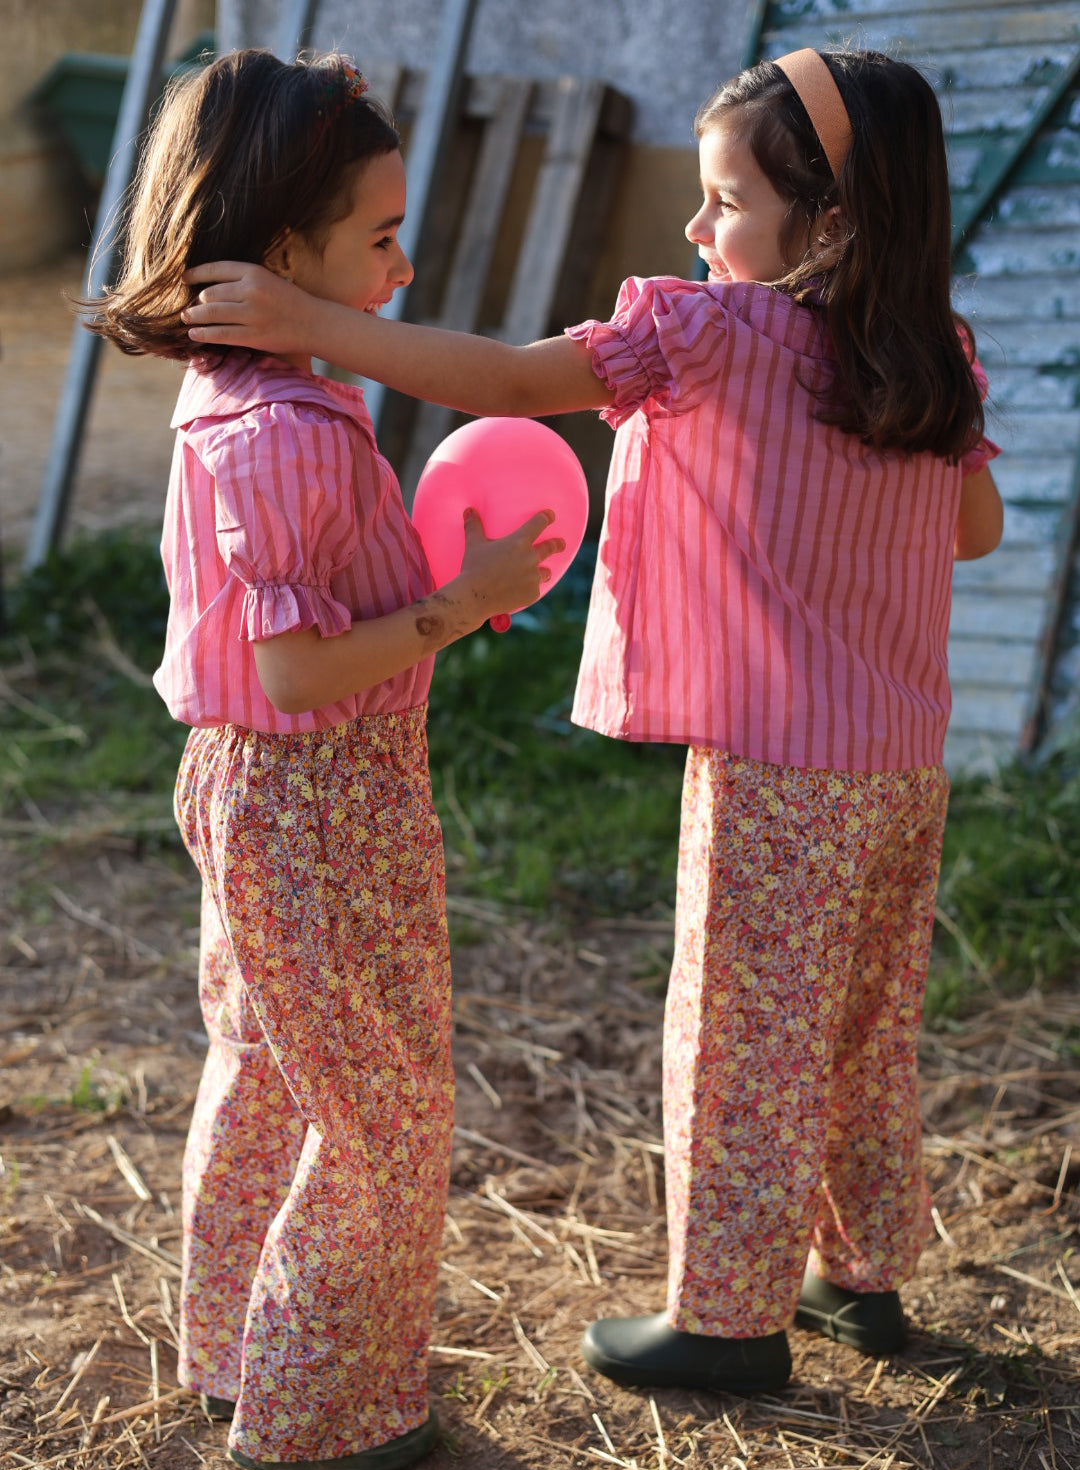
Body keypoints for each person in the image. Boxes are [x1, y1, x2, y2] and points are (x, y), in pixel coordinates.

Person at [181, 48, 1004, 1398]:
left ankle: (728, 1322)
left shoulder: (717, 334)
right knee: (866, 1029)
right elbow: (972, 531)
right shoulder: (936, 354)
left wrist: (312, 323)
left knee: (740, 1035)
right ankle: (866, 1282)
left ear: (834, 220)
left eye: (724, 202)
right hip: (904, 770)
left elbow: (508, 382)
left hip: (776, 779)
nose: (695, 231)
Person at [86, 48, 563, 1470]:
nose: (406, 266)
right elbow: (300, 669)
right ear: (283, 252)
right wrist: (454, 606)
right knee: (382, 1105)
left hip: (253, 788)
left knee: (271, 1073)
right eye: (381, 235)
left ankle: (241, 1351)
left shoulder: (237, 393)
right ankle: (321, 1410)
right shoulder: (287, 432)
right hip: (315, 798)